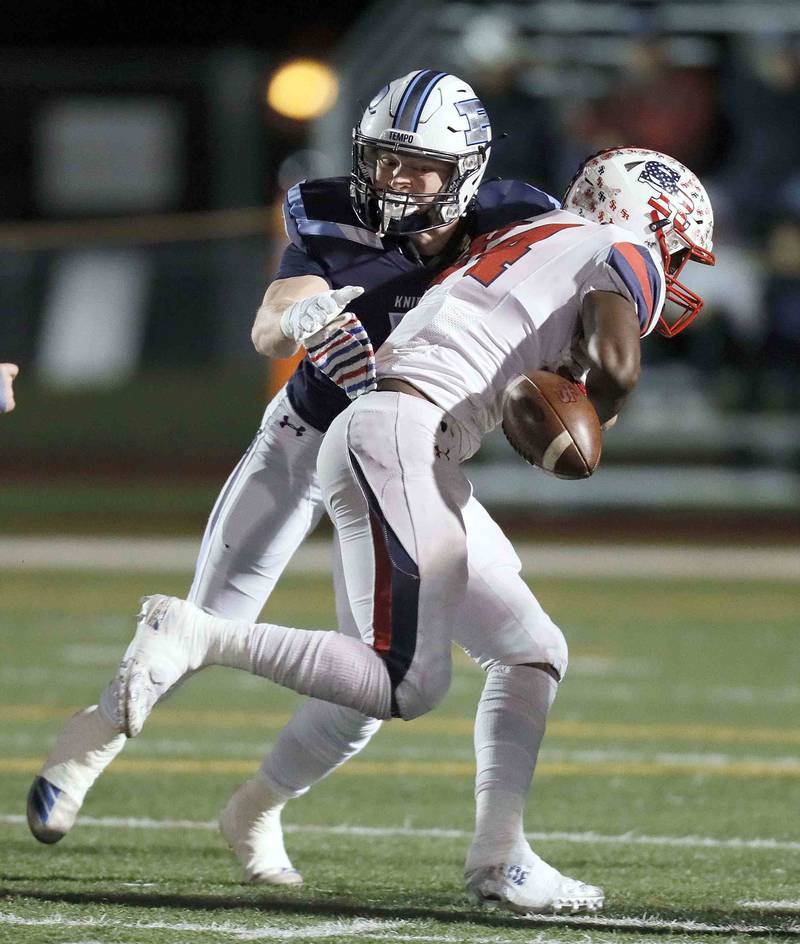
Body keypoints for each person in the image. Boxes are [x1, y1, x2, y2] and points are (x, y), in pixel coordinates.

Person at [108, 147, 714, 913]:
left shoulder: (530, 236)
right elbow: (615, 362)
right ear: (648, 217)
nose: (674, 266)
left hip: (401, 435)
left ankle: (500, 855)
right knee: (406, 680)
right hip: (399, 434)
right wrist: (598, 408)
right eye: (677, 246)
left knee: (531, 650)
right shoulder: (618, 249)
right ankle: (196, 631)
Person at [27, 70, 563, 884]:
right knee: (209, 621)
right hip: (308, 440)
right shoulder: (330, 207)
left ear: (468, 171)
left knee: (377, 682)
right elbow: (273, 318)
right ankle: (81, 756)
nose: (392, 180)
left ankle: (259, 808)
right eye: (382, 159)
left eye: (416, 166)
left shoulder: (522, 220)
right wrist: (306, 316)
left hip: (418, 461)